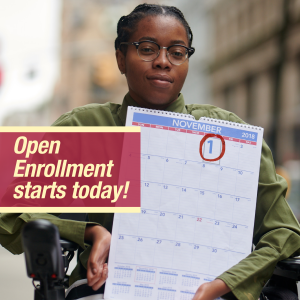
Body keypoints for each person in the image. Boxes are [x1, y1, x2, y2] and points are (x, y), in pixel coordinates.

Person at [1, 4, 300, 300]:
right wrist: (89, 232)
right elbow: (9, 215)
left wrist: (225, 283)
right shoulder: (85, 128)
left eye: (177, 52)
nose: (163, 61)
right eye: (147, 49)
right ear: (120, 58)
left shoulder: (228, 133)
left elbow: (285, 232)